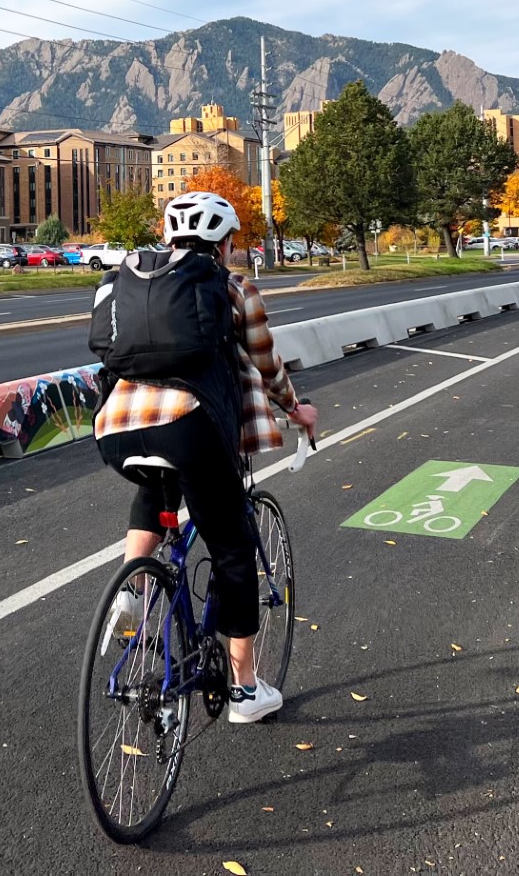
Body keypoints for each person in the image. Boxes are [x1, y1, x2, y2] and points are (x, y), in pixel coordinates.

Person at [91, 190, 317, 723]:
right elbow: (265, 362)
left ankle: (135, 586)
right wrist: (297, 409)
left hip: (115, 429)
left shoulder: (130, 278)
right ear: (226, 242)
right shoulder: (232, 286)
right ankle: (243, 691)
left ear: (169, 237)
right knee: (235, 552)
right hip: (190, 426)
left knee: (158, 481)